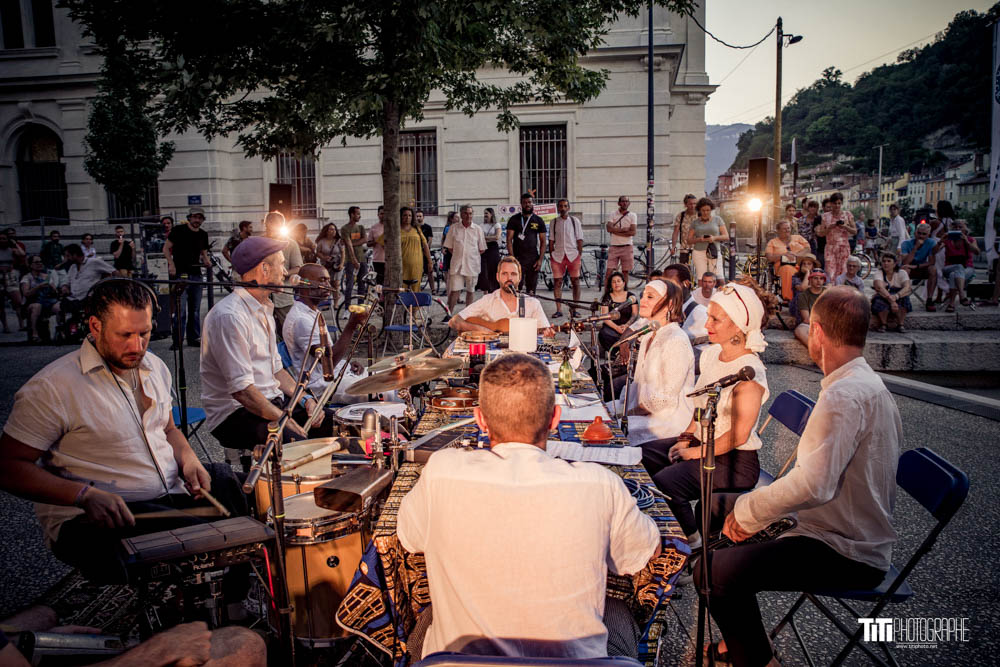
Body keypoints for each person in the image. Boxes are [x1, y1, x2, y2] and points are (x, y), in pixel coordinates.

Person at [397, 353, 661, 660]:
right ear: (555, 418)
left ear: (480, 419)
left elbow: (408, 538)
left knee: (426, 621)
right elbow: (644, 553)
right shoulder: (601, 484)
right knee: (618, 611)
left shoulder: (441, 472)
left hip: (460, 662)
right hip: (573, 663)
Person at [698, 287, 900, 667]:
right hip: (834, 527)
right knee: (712, 508)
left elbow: (814, 484)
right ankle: (739, 638)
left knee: (711, 570)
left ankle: (756, 658)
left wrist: (750, 512)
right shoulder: (861, 383)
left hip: (846, 548)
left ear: (818, 333)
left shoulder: (845, 395)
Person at [0, 279, 248, 587]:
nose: (137, 346)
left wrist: (189, 460)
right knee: (211, 537)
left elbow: (168, 428)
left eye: (144, 333)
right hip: (97, 516)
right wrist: (82, 495)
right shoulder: (51, 387)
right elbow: (9, 467)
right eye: (125, 335)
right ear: (95, 326)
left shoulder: (154, 366)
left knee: (243, 492)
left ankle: (242, 601)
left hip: (167, 492)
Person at [640, 280, 773, 547]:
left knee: (666, 483)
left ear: (737, 326)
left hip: (733, 459)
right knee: (640, 457)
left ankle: (693, 545)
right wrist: (686, 436)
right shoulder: (713, 355)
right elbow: (701, 403)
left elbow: (738, 436)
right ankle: (654, 535)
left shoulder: (749, 373)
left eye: (715, 319)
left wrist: (694, 453)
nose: (707, 324)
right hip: (704, 442)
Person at [200, 237, 327, 466]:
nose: (286, 271)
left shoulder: (265, 308)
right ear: (264, 269)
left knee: (328, 425)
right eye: (281, 264)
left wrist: (306, 398)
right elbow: (243, 392)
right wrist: (285, 420)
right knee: (301, 450)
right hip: (235, 414)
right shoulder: (230, 316)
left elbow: (276, 371)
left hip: (268, 403)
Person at [282, 263, 370, 404]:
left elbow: (328, 355)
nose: (329, 285)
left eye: (328, 280)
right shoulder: (301, 319)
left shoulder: (311, 311)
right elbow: (327, 363)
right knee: (385, 392)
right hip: (320, 385)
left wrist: (346, 364)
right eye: (322, 280)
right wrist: (351, 326)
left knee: (382, 376)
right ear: (304, 284)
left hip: (330, 374)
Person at [625, 279, 695, 446]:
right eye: (643, 296)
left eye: (650, 297)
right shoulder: (650, 334)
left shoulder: (676, 340)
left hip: (667, 421)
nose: (642, 300)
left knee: (615, 430)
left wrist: (628, 413)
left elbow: (664, 400)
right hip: (644, 413)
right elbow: (638, 384)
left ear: (670, 305)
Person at [449, 256, 551, 334]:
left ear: (520, 278)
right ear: (498, 277)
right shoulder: (488, 301)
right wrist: (481, 329)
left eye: (513, 274)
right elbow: (454, 321)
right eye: (504, 273)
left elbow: (543, 331)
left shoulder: (532, 303)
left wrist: (547, 334)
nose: (509, 278)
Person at [164, 207, 211, 348]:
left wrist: (206, 260)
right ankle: (177, 340)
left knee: (195, 310)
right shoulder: (179, 230)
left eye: (200, 218)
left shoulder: (203, 234)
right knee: (180, 310)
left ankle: (193, 337)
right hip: (181, 274)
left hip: (196, 274)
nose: (197, 220)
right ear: (189, 217)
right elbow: (166, 248)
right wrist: (171, 264)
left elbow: (203, 251)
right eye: (195, 217)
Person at [261, 211, 303, 332]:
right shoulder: (259, 242)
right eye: (269, 225)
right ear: (266, 225)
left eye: (276, 225)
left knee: (290, 330)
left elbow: (298, 268)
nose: (271, 228)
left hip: (283, 296)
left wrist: (284, 273)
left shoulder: (291, 244)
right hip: (262, 295)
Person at [59, 244, 114, 332]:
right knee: (59, 306)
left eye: (68, 256)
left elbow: (113, 271)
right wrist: (65, 286)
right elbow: (66, 281)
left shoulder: (94, 262)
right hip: (74, 298)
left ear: (75, 255)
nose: (66, 259)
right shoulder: (72, 267)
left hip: (89, 298)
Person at [443, 204, 486, 309]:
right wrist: (460, 254)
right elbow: (449, 247)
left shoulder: (478, 229)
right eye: (465, 213)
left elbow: (482, 249)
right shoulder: (453, 228)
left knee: (470, 291)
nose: (468, 216)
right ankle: (449, 315)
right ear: (461, 214)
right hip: (457, 265)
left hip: (472, 265)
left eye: (470, 213)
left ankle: (467, 316)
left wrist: (469, 255)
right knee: (454, 291)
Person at [549, 198, 584, 318]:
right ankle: (559, 309)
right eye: (560, 206)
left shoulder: (575, 221)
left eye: (565, 206)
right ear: (558, 208)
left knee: (576, 282)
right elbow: (551, 240)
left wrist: (579, 253)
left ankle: (575, 309)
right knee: (557, 282)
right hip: (557, 256)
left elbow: (580, 239)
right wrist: (551, 253)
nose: (563, 208)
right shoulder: (554, 222)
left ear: (568, 208)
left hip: (573, 255)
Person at [505, 193, 547, 294]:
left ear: (533, 203)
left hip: (533, 259)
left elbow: (543, 242)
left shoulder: (539, 220)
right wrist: (512, 258)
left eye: (529, 202)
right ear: (521, 204)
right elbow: (509, 240)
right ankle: (515, 309)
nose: (527, 204)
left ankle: (530, 309)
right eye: (524, 203)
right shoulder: (514, 219)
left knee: (531, 290)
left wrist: (540, 260)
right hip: (518, 259)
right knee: (516, 288)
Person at [814, 192, 856, 283]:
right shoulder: (825, 216)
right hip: (830, 248)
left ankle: (841, 294)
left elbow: (855, 231)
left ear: (841, 203)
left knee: (843, 272)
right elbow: (821, 234)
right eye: (835, 203)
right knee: (830, 272)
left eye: (839, 203)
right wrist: (829, 228)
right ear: (831, 203)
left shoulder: (848, 214)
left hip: (844, 247)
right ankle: (832, 293)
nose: (837, 205)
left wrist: (845, 226)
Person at [764, 220, 810, 304]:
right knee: (787, 269)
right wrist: (783, 255)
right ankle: (789, 298)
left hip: (800, 264)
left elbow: (808, 249)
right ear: (778, 231)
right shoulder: (772, 242)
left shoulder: (798, 238)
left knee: (813, 269)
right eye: (784, 229)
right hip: (782, 266)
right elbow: (769, 257)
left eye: (788, 228)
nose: (787, 230)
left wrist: (796, 254)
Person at [686, 197, 728, 282]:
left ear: (711, 210)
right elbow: (689, 240)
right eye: (703, 210)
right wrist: (699, 239)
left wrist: (714, 238)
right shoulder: (695, 223)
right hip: (699, 252)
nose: (705, 212)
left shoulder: (717, 219)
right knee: (701, 279)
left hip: (714, 251)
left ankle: (719, 295)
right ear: (699, 210)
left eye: (708, 210)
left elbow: (726, 236)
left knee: (719, 278)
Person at [20, 255, 60, 343]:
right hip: (32, 303)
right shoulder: (27, 277)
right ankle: (34, 333)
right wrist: (38, 287)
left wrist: (53, 288)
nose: (40, 264)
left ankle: (61, 331)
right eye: (36, 262)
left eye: (41, 262)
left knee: (59, 307)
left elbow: (55, 292)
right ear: (31, 265)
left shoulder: (47, 276)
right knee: (37, 306)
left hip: (47, 302)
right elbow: (26, 294)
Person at [662, 263, 707, 341]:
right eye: (664, 283)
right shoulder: (661, 312)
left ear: (686, 284)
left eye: (670, 283)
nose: (666, 288)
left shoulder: (703, 315)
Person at [597, 271, 638, 355]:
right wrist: (617, 328)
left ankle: (628, 352)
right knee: (604, 334)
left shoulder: (631, 296)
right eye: (614, 282)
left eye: (619, 281)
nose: (616, 284)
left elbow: (634, 314)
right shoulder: (607, 297)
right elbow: (605, 317)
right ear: (611, 285)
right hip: (612, 327)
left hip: (628, 326)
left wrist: (627, 325)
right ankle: (615, 354)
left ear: (624, 283)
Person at [900, 222, 938, 312]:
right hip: (908, 268)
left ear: (928, 235)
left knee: (933, 269)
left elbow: (932, 262)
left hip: (920, 267)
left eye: (924, 234)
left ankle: (929, 299)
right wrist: (915, 248)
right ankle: (904, 298)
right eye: (919, 233)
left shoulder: (931, 243)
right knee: (905, 269)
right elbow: (905, 262)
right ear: (915, 232)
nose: (921, 236)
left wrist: (915, 266)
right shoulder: (906, 243)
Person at [871, 253, 912, 333]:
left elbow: (907, 287)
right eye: (884, 261)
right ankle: (883, 324)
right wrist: (892, 301)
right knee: (879, 300)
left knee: (905, 299)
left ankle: (900, 324)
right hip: (885, 295)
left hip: (898, 294)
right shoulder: (879, 272)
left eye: (889, 261)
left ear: (895, 263)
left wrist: (896, 296)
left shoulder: (902, 272)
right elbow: (879, 287)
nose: (885, 263)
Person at [399, 206, 433, 291]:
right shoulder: (396, 230)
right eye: (405, 215)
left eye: (410, 215)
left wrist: (430, 262)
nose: (407, 218)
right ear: (400, 216)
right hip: (402, 264)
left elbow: (425, 245)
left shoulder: (417, 229)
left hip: (417, 264)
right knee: (402, 288)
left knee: (415, 287)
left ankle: (415, 304)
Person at [606, 195, 637, 285]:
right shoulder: (613, 214)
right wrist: (623, 230)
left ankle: (625, 292)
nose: (625, 203)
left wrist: (615, 231)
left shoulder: (632, 215)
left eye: (627, 201)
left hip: (627, 246)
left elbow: (633, 232)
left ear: (629, 203)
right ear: (619, 203)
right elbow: (609, 229)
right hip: (614, 246)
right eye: (623, 201)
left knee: (625, 273)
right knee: (609, 272)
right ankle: (607, 294)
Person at [339, 206, 367, 302]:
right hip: (350, 260)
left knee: (362, 284)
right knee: (349, 284)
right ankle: (347, 308)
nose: (360, 216)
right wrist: (354, 259)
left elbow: (364, 239)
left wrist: (351, 243)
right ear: (352, 214)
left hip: (362, 259)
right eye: (358, 214)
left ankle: (361, 307)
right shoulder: (344, 228)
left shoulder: (361, 227)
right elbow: (348, 244)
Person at [794, 269, 827, 346]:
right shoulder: (803, 296)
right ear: (810, 280)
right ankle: (816, 349)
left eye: (821, 278)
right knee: (799, 330)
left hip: (827, 324)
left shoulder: (829, 294)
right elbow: (806, 319)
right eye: (815, 278)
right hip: (811, 325)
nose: (818, 281)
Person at [0, 231, 26, 333]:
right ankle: (5, 326)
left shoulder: (11, 250)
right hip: (0, 276)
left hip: (10, 277)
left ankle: (21, 324)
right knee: (0, 304)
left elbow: (22, 254)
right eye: (0, 238)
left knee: (18, 301)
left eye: (4, 238)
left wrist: (14, 243)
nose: (2, 240)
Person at [314, 223, 344, 305]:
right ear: (326, 231)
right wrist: (324, 257)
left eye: (334, 229)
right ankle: (327, 301)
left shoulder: (338, 241)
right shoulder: (322, 241)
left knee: (336, 284)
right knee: (327, 284)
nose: (333, 231)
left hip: (337, 265)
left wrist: (341, 264)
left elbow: (343, 252)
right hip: (326, 265)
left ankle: (336, 303)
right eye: (331, 229)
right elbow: (318, 252)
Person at [477, 207, 502, 293]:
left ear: (491, 214)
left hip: (493, 249)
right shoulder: (481, 225)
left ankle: (494, 290)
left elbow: (497, 237)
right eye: (484, 213)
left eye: (487, 213)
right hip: (484, 248)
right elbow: (479, 238)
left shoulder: (496, 225)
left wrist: (485, 238)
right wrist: (488, 238)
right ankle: (485, 291)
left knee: (493, 269)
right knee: (484, 270)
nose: (485, 215)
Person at [787, 253, 817, 322]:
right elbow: (802, 288)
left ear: (813, 266)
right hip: (798, 305)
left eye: (809, 264)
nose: (806, 265)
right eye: (804, 264)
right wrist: (807, 273)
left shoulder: (819, 275)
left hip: (813, 302)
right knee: (801, 295)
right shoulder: (796, 277)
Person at [672, 194, 698, 264]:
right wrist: (673, 247)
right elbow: (675, 232)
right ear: (686, 204)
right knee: (684, 269)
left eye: (695, 203)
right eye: (690, 204)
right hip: (684, 248)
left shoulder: (700, 215)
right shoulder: (681, 216)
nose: (693, 206)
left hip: (698, 247)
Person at [366, 205, 386, 285]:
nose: (383, 215)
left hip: (391, 260)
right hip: (378, 259)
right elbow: (368, 243)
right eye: (381, 213)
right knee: (379, 282)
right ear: (378, 215)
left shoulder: (393, 226)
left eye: (385, 213)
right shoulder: (374, 227)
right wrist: (377, 241)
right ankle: (380, 297)